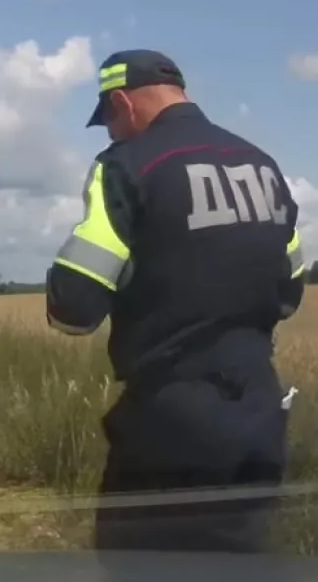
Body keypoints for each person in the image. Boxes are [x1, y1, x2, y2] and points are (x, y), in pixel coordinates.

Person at [45, 49, 304, 555]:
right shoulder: (262, 165)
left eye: (109, 121)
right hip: (260, 413)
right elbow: (289, 293)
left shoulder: (125, 166)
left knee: (140, 564)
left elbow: (75, 309)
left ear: (123, 101)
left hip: (170, 423)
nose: (111, 134)